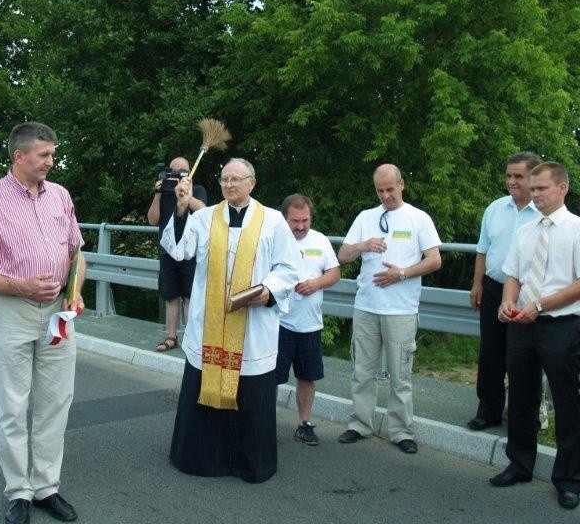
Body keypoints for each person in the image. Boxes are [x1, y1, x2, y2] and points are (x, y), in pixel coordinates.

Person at [0, 122, 86, 524]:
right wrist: (20, 287)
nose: (51, 161)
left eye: (52, 154)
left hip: (58, 315)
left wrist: (76, 290)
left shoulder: (60, 196)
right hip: (11, 312)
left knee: (55, 403)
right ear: (19, 156)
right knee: (13, 407)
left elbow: (77, 253)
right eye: (44, 155)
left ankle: (46, 485)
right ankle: (18, 491)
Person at [160, 158, 303, 483]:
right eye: (224, 180)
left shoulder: (273, 221)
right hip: (210, 321)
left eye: (236, 179)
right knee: (204, 385)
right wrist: (181, 209)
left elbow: (290, 268)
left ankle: (248, 462)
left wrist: (268, 290)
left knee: (249, 390)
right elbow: (178, 251)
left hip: (252, 324)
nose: (229, 185)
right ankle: (203, 459)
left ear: (252, 183)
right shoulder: (205, 217)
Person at [492, 161, 580, 510]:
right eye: (533, 187)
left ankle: (569, 479)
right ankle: (519, 463)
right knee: (522, 396)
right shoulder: (525, 231)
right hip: (522, 325)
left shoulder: (576, 229)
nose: (535, 193)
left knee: (566, 403)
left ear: (562, 189)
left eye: (542, 188)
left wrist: (540, 306)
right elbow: (513, 273)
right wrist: (507, 302)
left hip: (561, 326)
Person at [336, 164, 442, 454]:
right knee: (362, 370)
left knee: (400, 375)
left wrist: (402, 273)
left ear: (401, 185)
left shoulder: (418, 218)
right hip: (366, 305)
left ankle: (400, 430)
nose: (385, 196)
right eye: (380, 191)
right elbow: (343, 255)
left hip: (401, 309)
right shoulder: (365, 217)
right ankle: (359, 424)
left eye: (390, 189)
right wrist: (363, 245)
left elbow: (434, 260)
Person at [468, 152, 542, 431]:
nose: (511, 181)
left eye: (518, 176)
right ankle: (488, 411)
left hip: (529, 295)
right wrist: (477, 284)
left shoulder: (543, 213)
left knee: (524, 357)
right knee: (491, 354)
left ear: (533, 177)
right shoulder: (495, 208)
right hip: (493, 287)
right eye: (509, 175)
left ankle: (525, 417)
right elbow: (482, 250)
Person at [276, 194, 340, 446]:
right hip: (279, 323)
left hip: (310, 324)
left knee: (307, 376)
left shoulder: (320, 240)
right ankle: (264, 423)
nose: (301, 226)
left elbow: (334, 273)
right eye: (295, 221)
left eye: (305, 220)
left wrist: (316, 284)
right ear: (284, 218)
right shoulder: (274, 239)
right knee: (271, 377)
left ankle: (304, 424)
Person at [147, 157, 207, 351]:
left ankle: (190, 337)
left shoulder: (197, 191)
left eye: (181, 171)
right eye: (173, 171)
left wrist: (187, 196)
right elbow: (153, 220)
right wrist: (157, 195)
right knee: (171, 296)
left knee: (190, 296)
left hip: (191, 252)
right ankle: (171, 336)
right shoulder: (164, 192)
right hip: (169, 251)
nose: (176, 174)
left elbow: (204, 211)